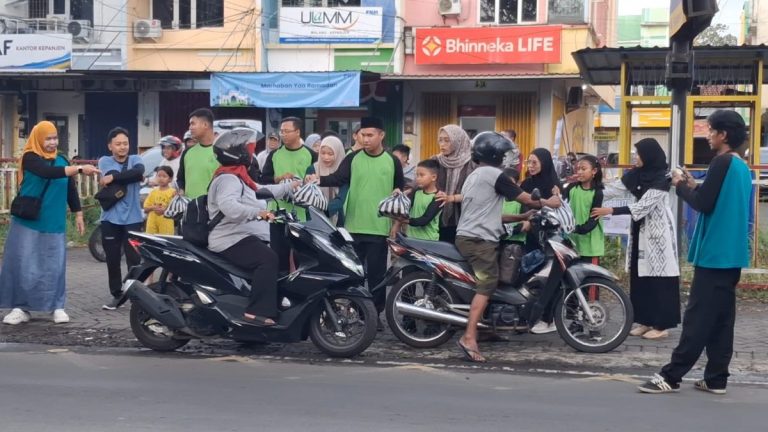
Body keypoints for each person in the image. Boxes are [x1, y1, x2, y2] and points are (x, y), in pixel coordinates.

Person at [636, 110, 752, 395]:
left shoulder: (721, 162)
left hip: (714, 253)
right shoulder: (740, 165)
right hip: (731, 253)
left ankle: (671, 375)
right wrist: (692, 185)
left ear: (723, 134)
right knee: (722, 320)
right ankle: (716, 378)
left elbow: (703, 203)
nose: (708, 135)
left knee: (697, 319)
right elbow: (713, 197)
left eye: (711, 130)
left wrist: (678, 185)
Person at [445, 132, 560, 363]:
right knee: (487, 283)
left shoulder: (476, 174)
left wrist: (522, 217)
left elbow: (491, 214)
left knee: (497, 280)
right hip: (477, 240)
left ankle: (486, 328)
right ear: (494, 154)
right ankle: (469, 337)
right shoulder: (493, 174)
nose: (508, 158)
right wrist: (549, 202)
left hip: (473, 236)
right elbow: (525, 198)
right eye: (505, 154)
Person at [0, 121, 99, 325]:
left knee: (54, 265)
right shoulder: (30, 157)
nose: (53, 142)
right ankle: (20, 307)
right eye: (48, 138)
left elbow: (70, 189)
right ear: (38, 138)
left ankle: (57, 306)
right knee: (24, 264)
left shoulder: (62, 160)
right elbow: (47, 172)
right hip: (28, 220)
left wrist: (79, 213)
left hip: (54, 222)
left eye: (55, 138)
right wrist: (79, 168)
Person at [308, 116, 405, 313]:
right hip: (353, 227)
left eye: (370, 135)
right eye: (363, 135)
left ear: (381, 135)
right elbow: (338, 178)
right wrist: (318, 179)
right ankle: (356, 312)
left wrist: (396, 222)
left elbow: (399, 188)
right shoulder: (353, 158)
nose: (366, 139)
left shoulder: (392, 161)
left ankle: (375, 313)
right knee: (355, 274)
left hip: (379, 228)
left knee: (377, 276)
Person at [207, 128, 299, 325]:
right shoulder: (228, 179)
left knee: (274, 256)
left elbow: (262, 190)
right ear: (238, 153)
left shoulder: (239, 177)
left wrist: (292, 186)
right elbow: (229, 207)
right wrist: (259, 213)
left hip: (240, 235)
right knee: (268, 259)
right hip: (229, 237)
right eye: (249, 149)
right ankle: (255, 312)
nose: (252, 153)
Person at [592, 138, 681, 340]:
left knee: (660, 278)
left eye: (639, 154)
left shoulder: (663, 178)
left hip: (658, 233)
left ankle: (662, 325)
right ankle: (645, 320)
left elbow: (644, 206)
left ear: (649, 156)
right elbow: (614, 189)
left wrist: (611, 210)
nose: (636, 157)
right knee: (640, 277)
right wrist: (588, 190)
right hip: (640, 230)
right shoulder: (636, 174)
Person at [260, 116, 317, 272]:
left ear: (297, 132)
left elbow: (317, 180)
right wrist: (278, 178)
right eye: (281, 131)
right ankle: (281, 284)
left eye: (287, 131)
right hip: (277, 213)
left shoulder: (311, 155)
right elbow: (263, 179)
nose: (283, 134)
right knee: (279, 255)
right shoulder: (274, 155)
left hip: (302, 213)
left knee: (302, 256)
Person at [99, 127, 146, 311]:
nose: (122, 147)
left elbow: (138, 172)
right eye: (118, 144)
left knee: (134, 260)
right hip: (110, 218)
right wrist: (131, 175)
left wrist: (113, 177)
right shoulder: (104, 161)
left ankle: (135, 295)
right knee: (112, 260)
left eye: (125, 143)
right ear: (110, 146)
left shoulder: (136, 159)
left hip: (133, 218)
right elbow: (133, 176)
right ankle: (117, 295)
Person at [521, 147, 564, 334]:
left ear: (544, 163)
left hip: (550, 238)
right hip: (530, 235)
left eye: (534, 162)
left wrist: (547, 202)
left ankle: (548, 318)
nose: (530, 166)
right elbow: (523, 205)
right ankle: (527, 316)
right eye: (528, 162)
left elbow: (558, 205)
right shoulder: (526, 183)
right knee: (530, 276)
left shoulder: (554, 184)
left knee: (550, 279)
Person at [433, 124, 475, 244]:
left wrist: (452, 198)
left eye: (447, 140)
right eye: (440, 140)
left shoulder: (472, 164)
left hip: (464, 221)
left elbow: (476, 193)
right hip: (436, 218)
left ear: (458, 141)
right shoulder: (435, 161)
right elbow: (421, 181)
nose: (442, 144)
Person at [564, 155, 604, 265]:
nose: (580, 172)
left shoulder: (597, 193)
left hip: (590, 247)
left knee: (590, 275)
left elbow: (593, 220)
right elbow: (561, 204)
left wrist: (576, 228)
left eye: (583, 169)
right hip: (573, 244)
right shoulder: (571, 188)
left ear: (594, 171)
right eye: (578, 169)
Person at [391, 159, 442, 241]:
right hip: (411, 239)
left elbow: (425, 220)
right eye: (417, 175)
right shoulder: (416, 192)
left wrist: (406, 221)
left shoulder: (439, 197)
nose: (418, 178)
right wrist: (396, 225)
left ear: (434, 177)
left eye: (422, 175)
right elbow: (406, 209)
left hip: (429, 241)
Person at [177, 108, 220, 199]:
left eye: (193, 124)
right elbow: (181, 179)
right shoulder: (187, 153)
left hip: (213, 206)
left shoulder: (222, 152)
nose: (190, 128)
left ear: (205, 125)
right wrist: (181, 190)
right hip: (190, 205)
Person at [305, 136, 348, 226]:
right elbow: (307, 194)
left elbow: (342, 197)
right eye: (323, 153)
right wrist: (306, 181)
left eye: (330, 154)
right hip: (314, 216)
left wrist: (326, 209)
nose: (326, 157)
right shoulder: (313, 168)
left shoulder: (344, 171)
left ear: (338, 153)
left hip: (338, 217)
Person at [143, 166, 176, 236]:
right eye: (159, 176)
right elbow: (145, 208)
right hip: (152, 224)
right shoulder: (153, 192)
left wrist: (165, 209)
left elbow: (175, 209)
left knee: (165, 240)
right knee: (151, 240)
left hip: (166, 224)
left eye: (164, 176)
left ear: (170, 179)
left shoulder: (173, 192)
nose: (161, 178)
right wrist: (153, 207)